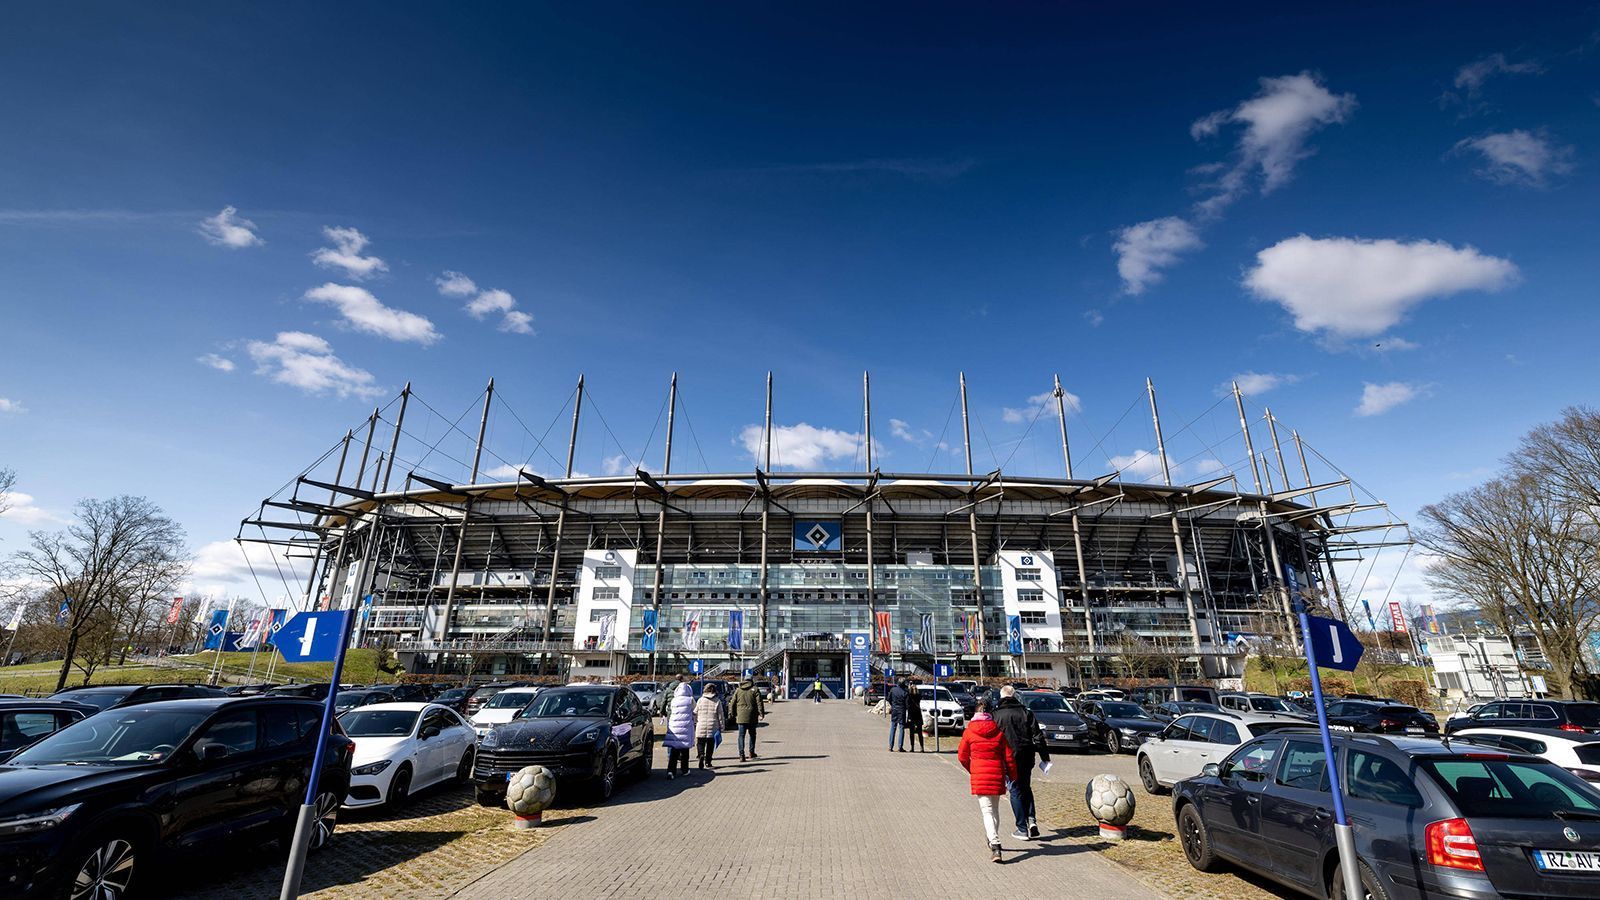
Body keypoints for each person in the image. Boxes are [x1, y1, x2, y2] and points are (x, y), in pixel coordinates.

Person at [958, 698, 1017, 863]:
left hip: (980, 775)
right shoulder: (998, 732)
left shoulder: (969, 732)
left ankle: (995, 843)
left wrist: (972, 769)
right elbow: (1009, 757)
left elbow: (962, 756)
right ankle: (992, 839)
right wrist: (1012, 775)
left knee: (987, 811)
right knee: (995, 810)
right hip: (997, 774)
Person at [992, 685, 1050, 838]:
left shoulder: (996, 715)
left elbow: (993, 739)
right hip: (1026, 755)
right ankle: (1031, 820)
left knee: (1015, 790)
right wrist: (1045, 757)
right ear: (1014, 696)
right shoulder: (1026, 712)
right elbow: (1038, 736)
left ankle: (1022, 827)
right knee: (1025, 787)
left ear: (1001, 697)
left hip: (1008, 758)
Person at [663, 680, 697, 779]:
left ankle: (671, 771)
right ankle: (685, 769)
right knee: (685, 750)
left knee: (674, 750)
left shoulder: (674, 700)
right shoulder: (690, 700)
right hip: (685, 727)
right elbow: (695, 710)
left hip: (674, 727)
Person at [731, 676, 765, 761]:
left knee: (741, 736)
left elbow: (732, 703)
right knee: (752, 735)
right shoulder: (755, 689)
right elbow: (759, 702)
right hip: (752, 716)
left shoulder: (738, 690)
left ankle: (741, 755)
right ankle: (751, 752)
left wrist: (732, 714)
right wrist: (761, 713)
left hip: (741, 716)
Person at [694, 683, 725, 769]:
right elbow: (720, 715)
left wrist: (696, 722)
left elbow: (695, 712)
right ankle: (708, 761)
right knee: (710, 745)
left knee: (700, 742)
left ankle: (701, 755)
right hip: (713, 726)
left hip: (701, 725)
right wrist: (722, 726)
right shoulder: (717, 701)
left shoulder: (700, 700)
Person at [887, 677, 911, 751]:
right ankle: (900, 747)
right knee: (901, 729)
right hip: (902, 711)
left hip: (894, 710)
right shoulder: (905, 692)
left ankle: (890, 746)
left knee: (892, 728)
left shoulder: (893, 690)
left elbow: (889, 699)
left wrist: (893, 705)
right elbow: (907, 704)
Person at [904, 681, 926, 752]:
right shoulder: (918, 696)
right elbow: (919, 695)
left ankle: (912, 747)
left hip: (911, 715)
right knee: (920, 732)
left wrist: (909, 688)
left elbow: (907, 704)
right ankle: (922, 747)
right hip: (918, 715)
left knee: (912, 732)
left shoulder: (909, 696)